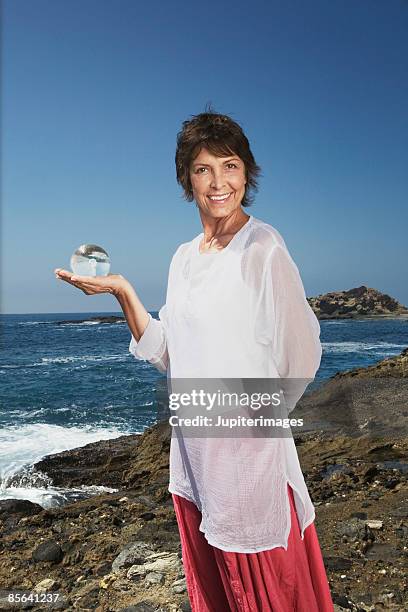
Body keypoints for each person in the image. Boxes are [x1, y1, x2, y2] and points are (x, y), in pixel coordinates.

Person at [55, 107, 334, 611]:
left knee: (269, 593)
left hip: (246, 464)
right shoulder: (183, 257)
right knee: (219, 592)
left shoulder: (263, 248)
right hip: (195, 459)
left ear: (247, 173)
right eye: (203, 169)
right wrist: (122, 293)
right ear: (187, 178)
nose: (218, 182)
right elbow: (170, 354)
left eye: (230, 165)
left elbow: (302, 351)